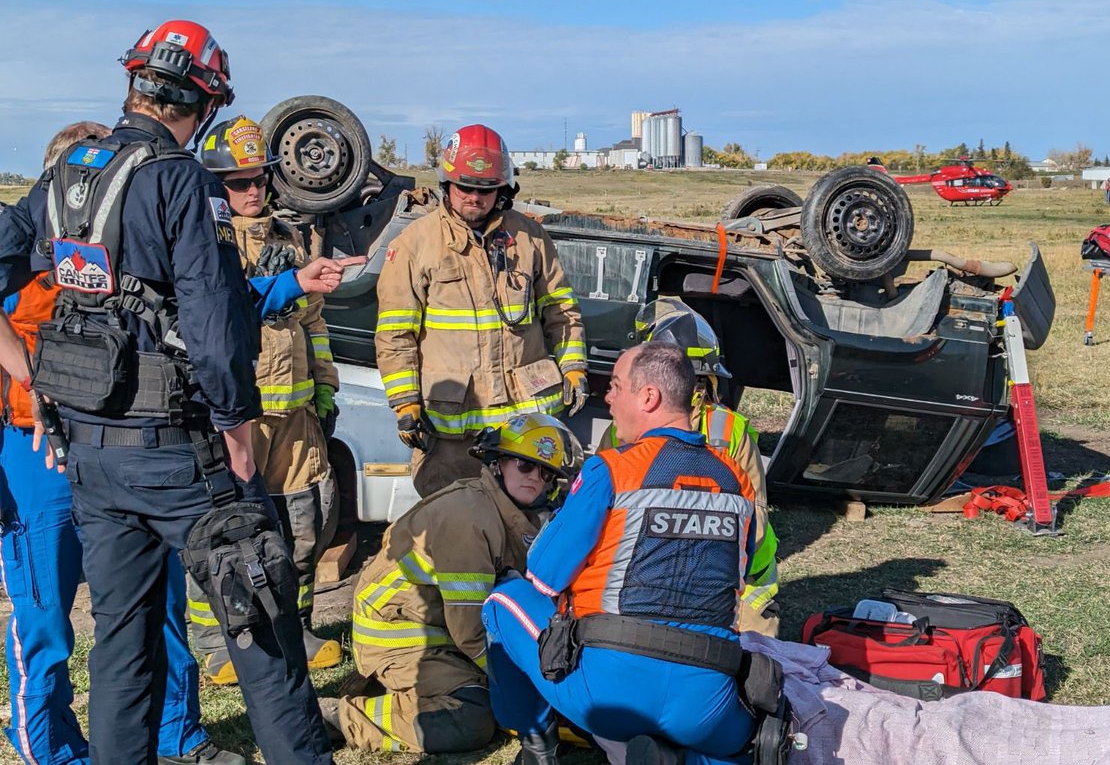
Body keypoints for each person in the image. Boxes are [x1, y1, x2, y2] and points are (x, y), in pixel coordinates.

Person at [12, 19, 333, 765]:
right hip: (183, 455)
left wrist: (33, 380)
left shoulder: (68, 174)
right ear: (201, 101)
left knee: (122, 652)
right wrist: (238, 431)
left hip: (93, 462)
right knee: (262, 629)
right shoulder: (178, 178)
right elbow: (213, 321)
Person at [0, 123, 241, 765]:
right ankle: (47, 748)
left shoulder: (125, 253)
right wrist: (27, 373)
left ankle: (177, 733)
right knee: (46, 614)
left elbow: (204, 305)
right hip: (36, 451)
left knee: (155, 603)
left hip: (118, 444)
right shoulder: (25, 262)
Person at [481, 343, 757, 765]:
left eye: (615, 386)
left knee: (504, 598)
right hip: (708, 702)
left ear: (648, 397)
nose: (607, 398)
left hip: (610, 694)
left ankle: (538, 746)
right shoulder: (737, 480)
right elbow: (743, 565)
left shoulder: (610, 469)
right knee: (729, 741)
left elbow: (544, 575)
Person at [186, 116, 343, 685]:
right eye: (238, 182)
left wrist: (324, 386)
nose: (252, 192)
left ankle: (291, 626)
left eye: (259, 180)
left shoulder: (291, 238)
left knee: (305, 520)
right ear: (213, 187)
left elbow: (314, 324)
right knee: (231, 526)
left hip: (297, 411)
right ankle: (220, 639)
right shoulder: (203, 243)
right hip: (239, 416)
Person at [323, 412, 581, 754]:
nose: (535, 477)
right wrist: (533, 685)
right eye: (524, 465)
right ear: (499, 462)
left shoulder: (513, 513)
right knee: (472, 717)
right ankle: (341, 716)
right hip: (400, 635)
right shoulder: (469, 519)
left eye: (547, 472)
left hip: (440, 628)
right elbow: (471, 630)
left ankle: (407, 690)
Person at [374, 124, 588, 497]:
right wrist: (406, 403)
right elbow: (395, 334)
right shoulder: (414, 245)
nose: (474, 197)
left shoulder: (531, 239)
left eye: (485, 189)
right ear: (447, 184)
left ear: (502, 191)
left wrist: (573, 367)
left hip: (524, 434)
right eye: (465, 187)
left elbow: (561, 310)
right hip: (452, 437)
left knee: (525, 534)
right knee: (454, 532)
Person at [598, 299, 781, 637]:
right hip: (656, 575)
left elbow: (752, 525)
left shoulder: (728, 431)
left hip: (741, 581)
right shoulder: (622, 432)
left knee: (749, 668)